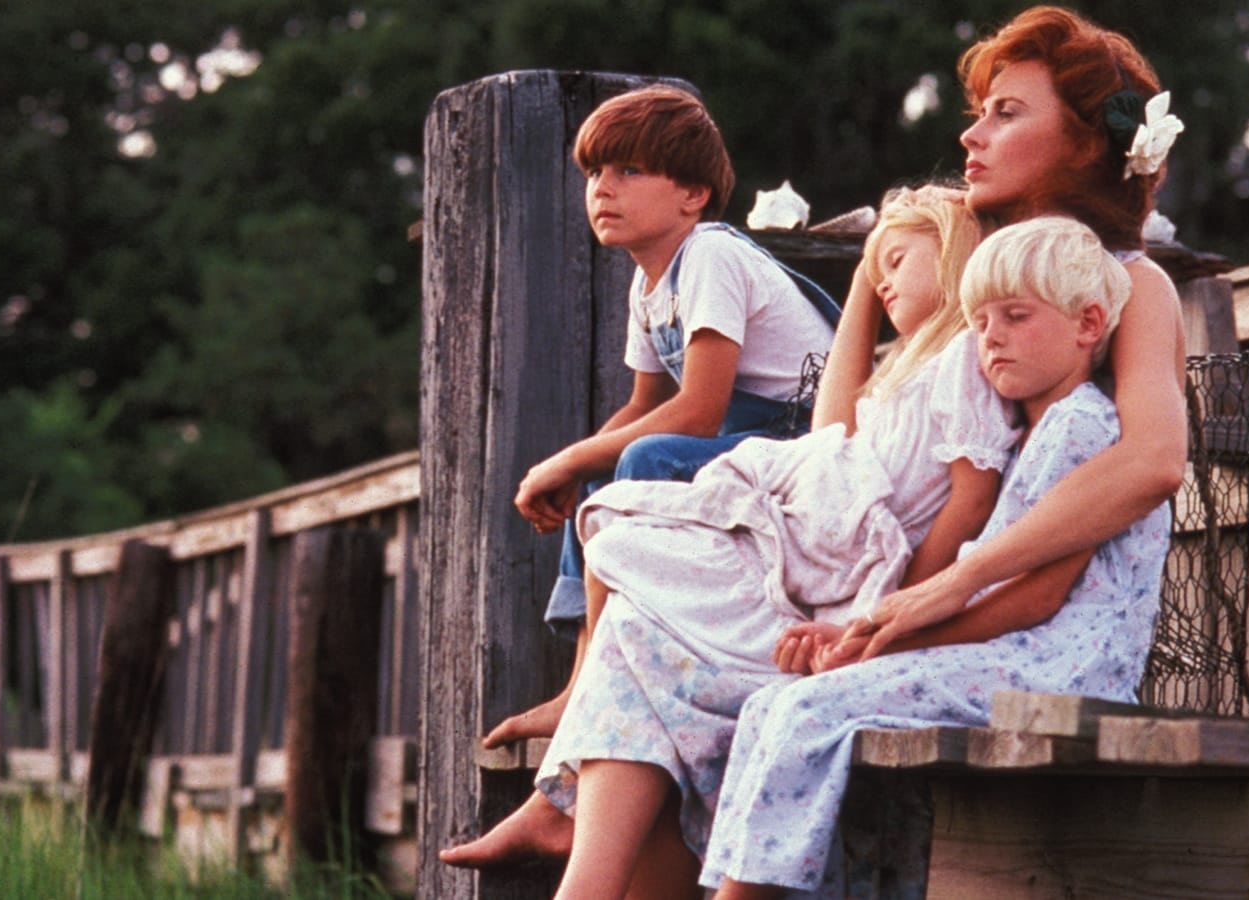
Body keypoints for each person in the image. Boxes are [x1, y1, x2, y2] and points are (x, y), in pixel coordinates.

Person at [441, 185, 1008, 880]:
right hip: (818, 569)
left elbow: (969, 505)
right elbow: (831, 433)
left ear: (953, 259)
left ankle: (566, 824)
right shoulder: (909, 370)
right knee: (629, 598)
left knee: (630, 566)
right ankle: (567, 834)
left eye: (895, 261)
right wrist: (863, 281)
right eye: (876, 267)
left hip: (845, 589)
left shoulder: (964, 359)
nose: (882, 279)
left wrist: (887, 619)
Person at [703, 215, 1171, 899]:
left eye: (1015, 316)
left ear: (1089, 324)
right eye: (979, 322)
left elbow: (1036, 598)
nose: (992, 338)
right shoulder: (1030, 434)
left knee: (805, 712)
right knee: (771, 704)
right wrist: (858, 637)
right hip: (1015, 657)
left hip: (1062, 667)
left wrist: (883, 646)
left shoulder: (1081, 425)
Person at [489, 83, 839, 748]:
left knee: (644, 459)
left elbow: (698, 413)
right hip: (748, 437)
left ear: (693, 194)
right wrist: (578, 470)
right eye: (594, 172)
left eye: (629, 170)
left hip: (804, 435)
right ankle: (580, 683)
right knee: (609, 470)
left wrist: (568, 458)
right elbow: (642, 405)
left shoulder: (710, 254)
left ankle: (599, 683)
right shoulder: (650, 282)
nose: (602, 189)